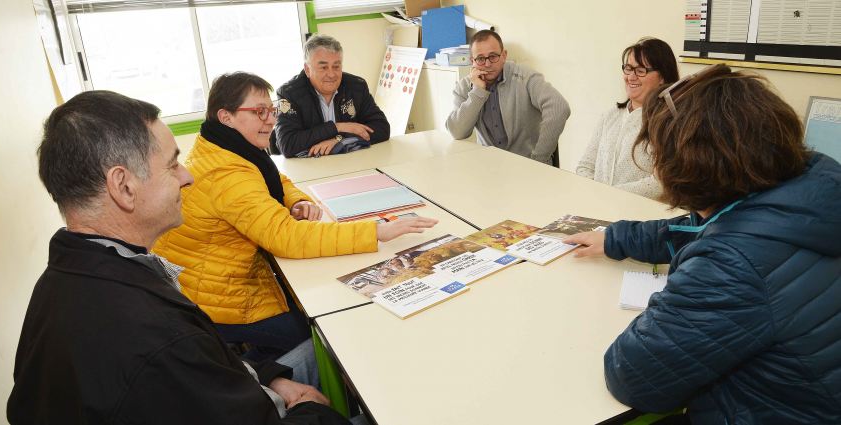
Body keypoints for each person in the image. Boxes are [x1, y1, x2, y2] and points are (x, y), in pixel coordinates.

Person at [8, 90, 351, 424]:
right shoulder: (155, 337)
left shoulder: (65, 278)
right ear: (123, 186)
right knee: (345, 354)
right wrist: (311, 411)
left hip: (246, 386)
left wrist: (272, 378)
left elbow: (205, 363)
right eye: (172, 165)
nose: (186, 178)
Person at [565, 65, 841, 424]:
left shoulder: (732, 263)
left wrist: (676, 300)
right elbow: (705, 226)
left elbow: (633, 377)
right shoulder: (811, 182)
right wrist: (617, 238)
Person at [153, 72, 437, 363]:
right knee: (322, 333)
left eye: (271, 110)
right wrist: (375, 231)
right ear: (226, 117)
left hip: (217, 281)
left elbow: (276, 179)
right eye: (259, 112)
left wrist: (297, 200)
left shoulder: (223, 148)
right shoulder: (225, 174)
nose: (270, 120)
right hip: (219, 300)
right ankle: (259, 372)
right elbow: (287, 238)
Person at [445, 29, 570, 166]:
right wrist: (478, 92)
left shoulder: (525, 77)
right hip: (490, 168)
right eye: (480, 59)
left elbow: (559, 108)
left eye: (493, 56)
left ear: (504, 55)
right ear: (472, 61)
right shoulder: (464, 86)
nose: (487, 64)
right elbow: (457, 132)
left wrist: (539, 159)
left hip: (527, 167)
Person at [575, 37, 679, 199]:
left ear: (662, 77)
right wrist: (597, 197)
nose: (631, 77)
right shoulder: (610, 117)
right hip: (598, 209)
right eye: (628, 68)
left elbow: (661, 183)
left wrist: (608, 195)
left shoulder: (669, 122)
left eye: (640, 70)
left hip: (641, 218)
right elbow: (585, 167)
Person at [274, 34, 390, 158]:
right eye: (323, 67)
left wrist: (341, 140)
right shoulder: (289, 93)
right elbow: (287, 144)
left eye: (336, 66)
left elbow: (382, 128)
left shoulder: (356, 86)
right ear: (307, 69)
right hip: (309, 168)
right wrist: (337, 127)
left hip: (351, 163)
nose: (331, 74)